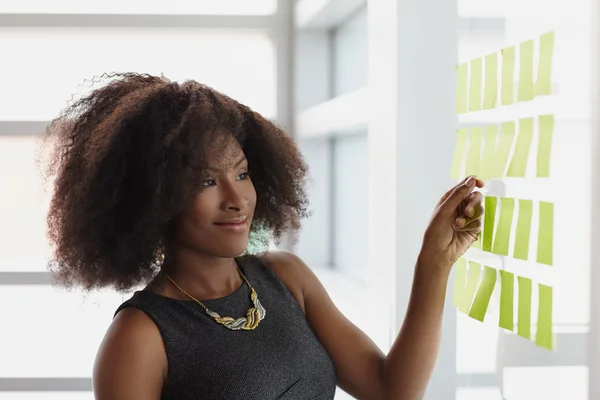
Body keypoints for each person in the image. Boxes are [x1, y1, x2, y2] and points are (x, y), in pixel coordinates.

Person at [41, 73, 484, 400]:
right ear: (154, 199)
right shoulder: (139, 337)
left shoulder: (285, 277)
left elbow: (392, 390)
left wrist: (435, 262)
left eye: (242, 173)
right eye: (205, 182)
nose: (237, 199)